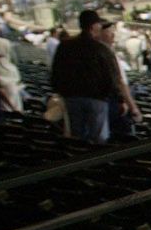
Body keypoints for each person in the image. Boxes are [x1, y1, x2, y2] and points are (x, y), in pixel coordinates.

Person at [50, 10, 132, 144]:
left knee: (77, 138)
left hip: (71, 98)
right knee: (99, 139)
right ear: (94, 26)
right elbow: (112, 77)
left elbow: (56, 72)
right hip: (96, 100)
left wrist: (61, 92)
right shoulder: (101, 49)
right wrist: (119, 99)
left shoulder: (65, 46)